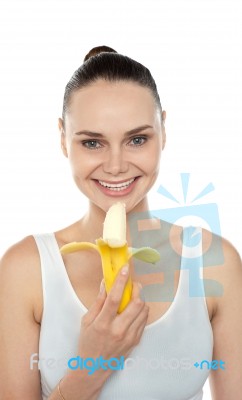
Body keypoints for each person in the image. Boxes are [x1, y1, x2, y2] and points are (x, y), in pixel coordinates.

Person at [0, 46, 241, 400]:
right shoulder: (26, 270)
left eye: (137, 139)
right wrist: (92, 367)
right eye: (93, 142)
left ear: (164, 131)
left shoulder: (212, 263)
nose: (116, 166)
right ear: (63, 139)